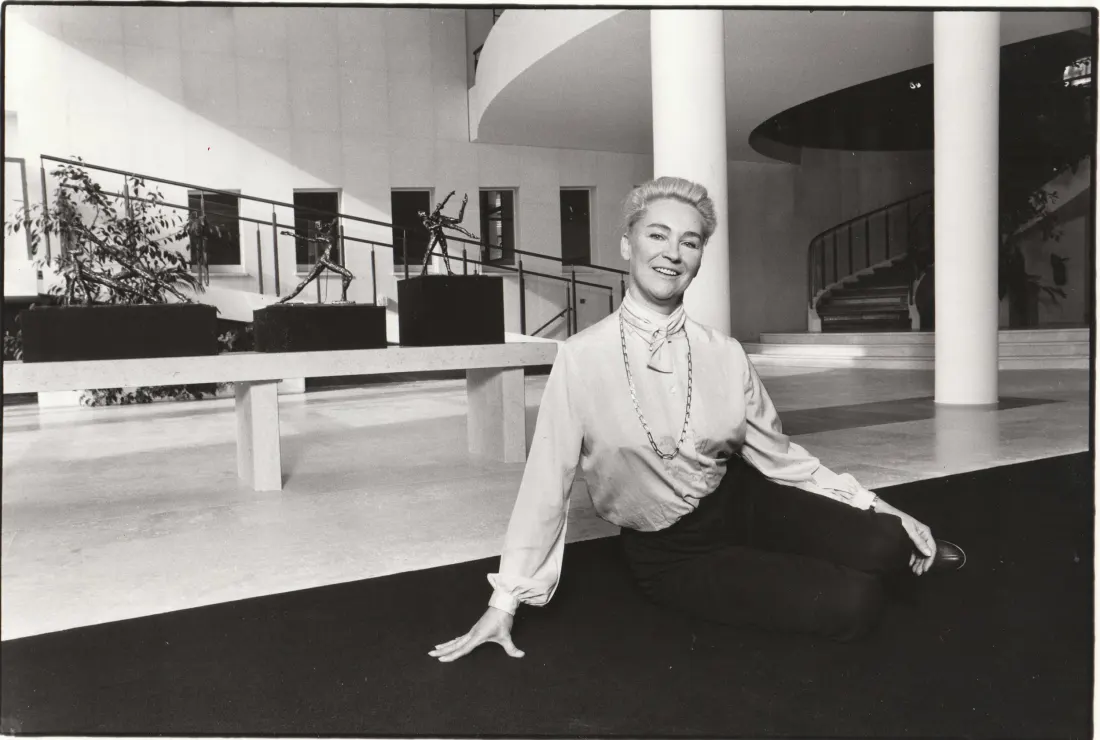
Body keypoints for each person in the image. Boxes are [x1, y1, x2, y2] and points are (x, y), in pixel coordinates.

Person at [430, 176, 964, 663]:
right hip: (671, 553)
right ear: (627, 245)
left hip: (740, 500)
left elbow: (783, 461)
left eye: (689, 242)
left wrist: (884, 507)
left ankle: (889, 546)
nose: (672, 253)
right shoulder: (580, 358)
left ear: (700, 256)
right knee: (855, 603)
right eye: (657, 235)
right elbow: (546, 484)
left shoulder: (724, 353)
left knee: (887, 540)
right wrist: (504, 602)